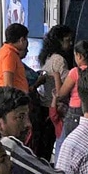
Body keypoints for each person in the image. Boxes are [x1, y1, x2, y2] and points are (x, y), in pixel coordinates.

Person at [52, 40, 88, 162]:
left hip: (75, 113)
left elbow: (61, 94)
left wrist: (56, 77)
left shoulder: (75, 72)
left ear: (79, 56)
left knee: (66, 148)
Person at [34, 26, 73, 161]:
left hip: (46, 105)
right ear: (59, 41)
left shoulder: (48, 57)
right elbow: (62, 87)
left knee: (45, 145)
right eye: (67, 40)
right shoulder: (59, 60)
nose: (70, 44)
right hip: (56, 107)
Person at [0, 23, 29, 91]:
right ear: (22, 40)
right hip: (14, 99)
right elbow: (8, 85)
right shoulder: (9, 54)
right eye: (26, 39)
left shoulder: (3, 51)